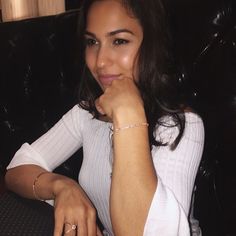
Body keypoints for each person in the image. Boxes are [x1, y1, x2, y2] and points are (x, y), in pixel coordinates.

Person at [5, 0, 204, 235]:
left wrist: (128, 113)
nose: (99, 61)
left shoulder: (180, 125)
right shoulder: (87, 112)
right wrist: (62, 187)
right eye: (92, 42)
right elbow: (18, 168)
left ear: (152, 44)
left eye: (119, 41)